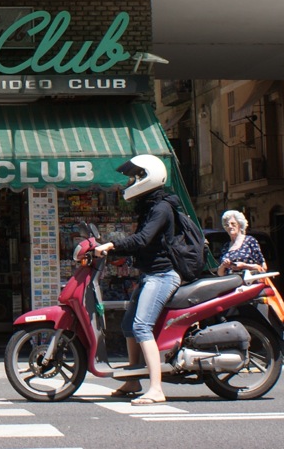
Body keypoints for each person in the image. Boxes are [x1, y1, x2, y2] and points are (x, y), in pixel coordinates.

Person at [93, 153, 184, 406]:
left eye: (135, 177)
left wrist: (112, 245)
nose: (130, 182)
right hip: (150, 275)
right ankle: (134, 380)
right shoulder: (150, 207)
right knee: (127, 325)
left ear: (149, 177)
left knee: (142, 326)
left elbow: (142, 240)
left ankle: (156, 388)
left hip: (162, 276)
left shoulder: (161, 208)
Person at [217, 209, 265, 275]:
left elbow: (263, 267)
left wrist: (244, 266)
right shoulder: (226, 246)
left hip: (249, 280)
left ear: (240, 224)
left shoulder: (250, 241)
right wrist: (223, 265)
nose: (230, 226)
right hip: (231, 281)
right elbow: (220, 274)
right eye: (227, 225)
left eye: (233, 224)